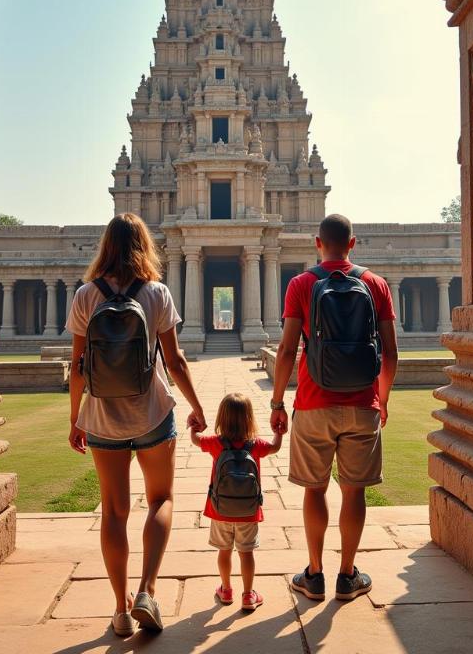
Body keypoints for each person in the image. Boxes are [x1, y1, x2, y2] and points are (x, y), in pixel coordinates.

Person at [66, 213, 206, 637]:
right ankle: (147, 589)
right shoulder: (158, 292)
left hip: (103, 416)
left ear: (105, 246)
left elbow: (76, 367)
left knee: (114, 511)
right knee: (161, 499)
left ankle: (120, 610)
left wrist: (76, 418)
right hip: (153, 413)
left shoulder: (87, 295)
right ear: (145, 245)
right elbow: (175, 360)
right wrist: (197, 406)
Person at [270, 213, 398, 601]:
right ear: (353, 243)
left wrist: (277, 402)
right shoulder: (375, 284)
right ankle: (347, 576)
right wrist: (383, 400)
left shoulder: (301, 284)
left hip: (312, 403)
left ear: (317, 243)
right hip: (363, 401)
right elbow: (391, 354)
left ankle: (314, 573)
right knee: (354, 491)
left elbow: (288, 349)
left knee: (314, 490)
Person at [191, 392, 282, 611]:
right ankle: (249, 595)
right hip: (248, 513)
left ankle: (226, 589)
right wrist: (279, 432)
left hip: (220, 510)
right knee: (246, 553)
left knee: (224, 551)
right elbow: (275, 447)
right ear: (249, 418)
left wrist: (193, 426)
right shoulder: (255, 445)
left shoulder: (216, 443)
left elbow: (196, 440)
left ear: (221, 418)